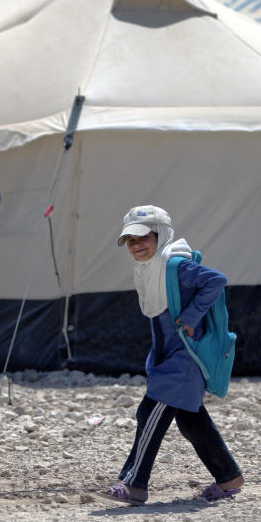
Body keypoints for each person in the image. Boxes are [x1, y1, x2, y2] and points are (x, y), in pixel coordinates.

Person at [95, 205, 244, 506]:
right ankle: (229, 477)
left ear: (160, 235)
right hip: (167, 355)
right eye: (130, 241)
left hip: (185, 357)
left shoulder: (175, 264)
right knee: (191, 421)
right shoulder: (151, 268)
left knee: (150, 412)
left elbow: (215, 281)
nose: (137, 246)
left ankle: (134, 484)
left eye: (143, 238)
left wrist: (191, 316)